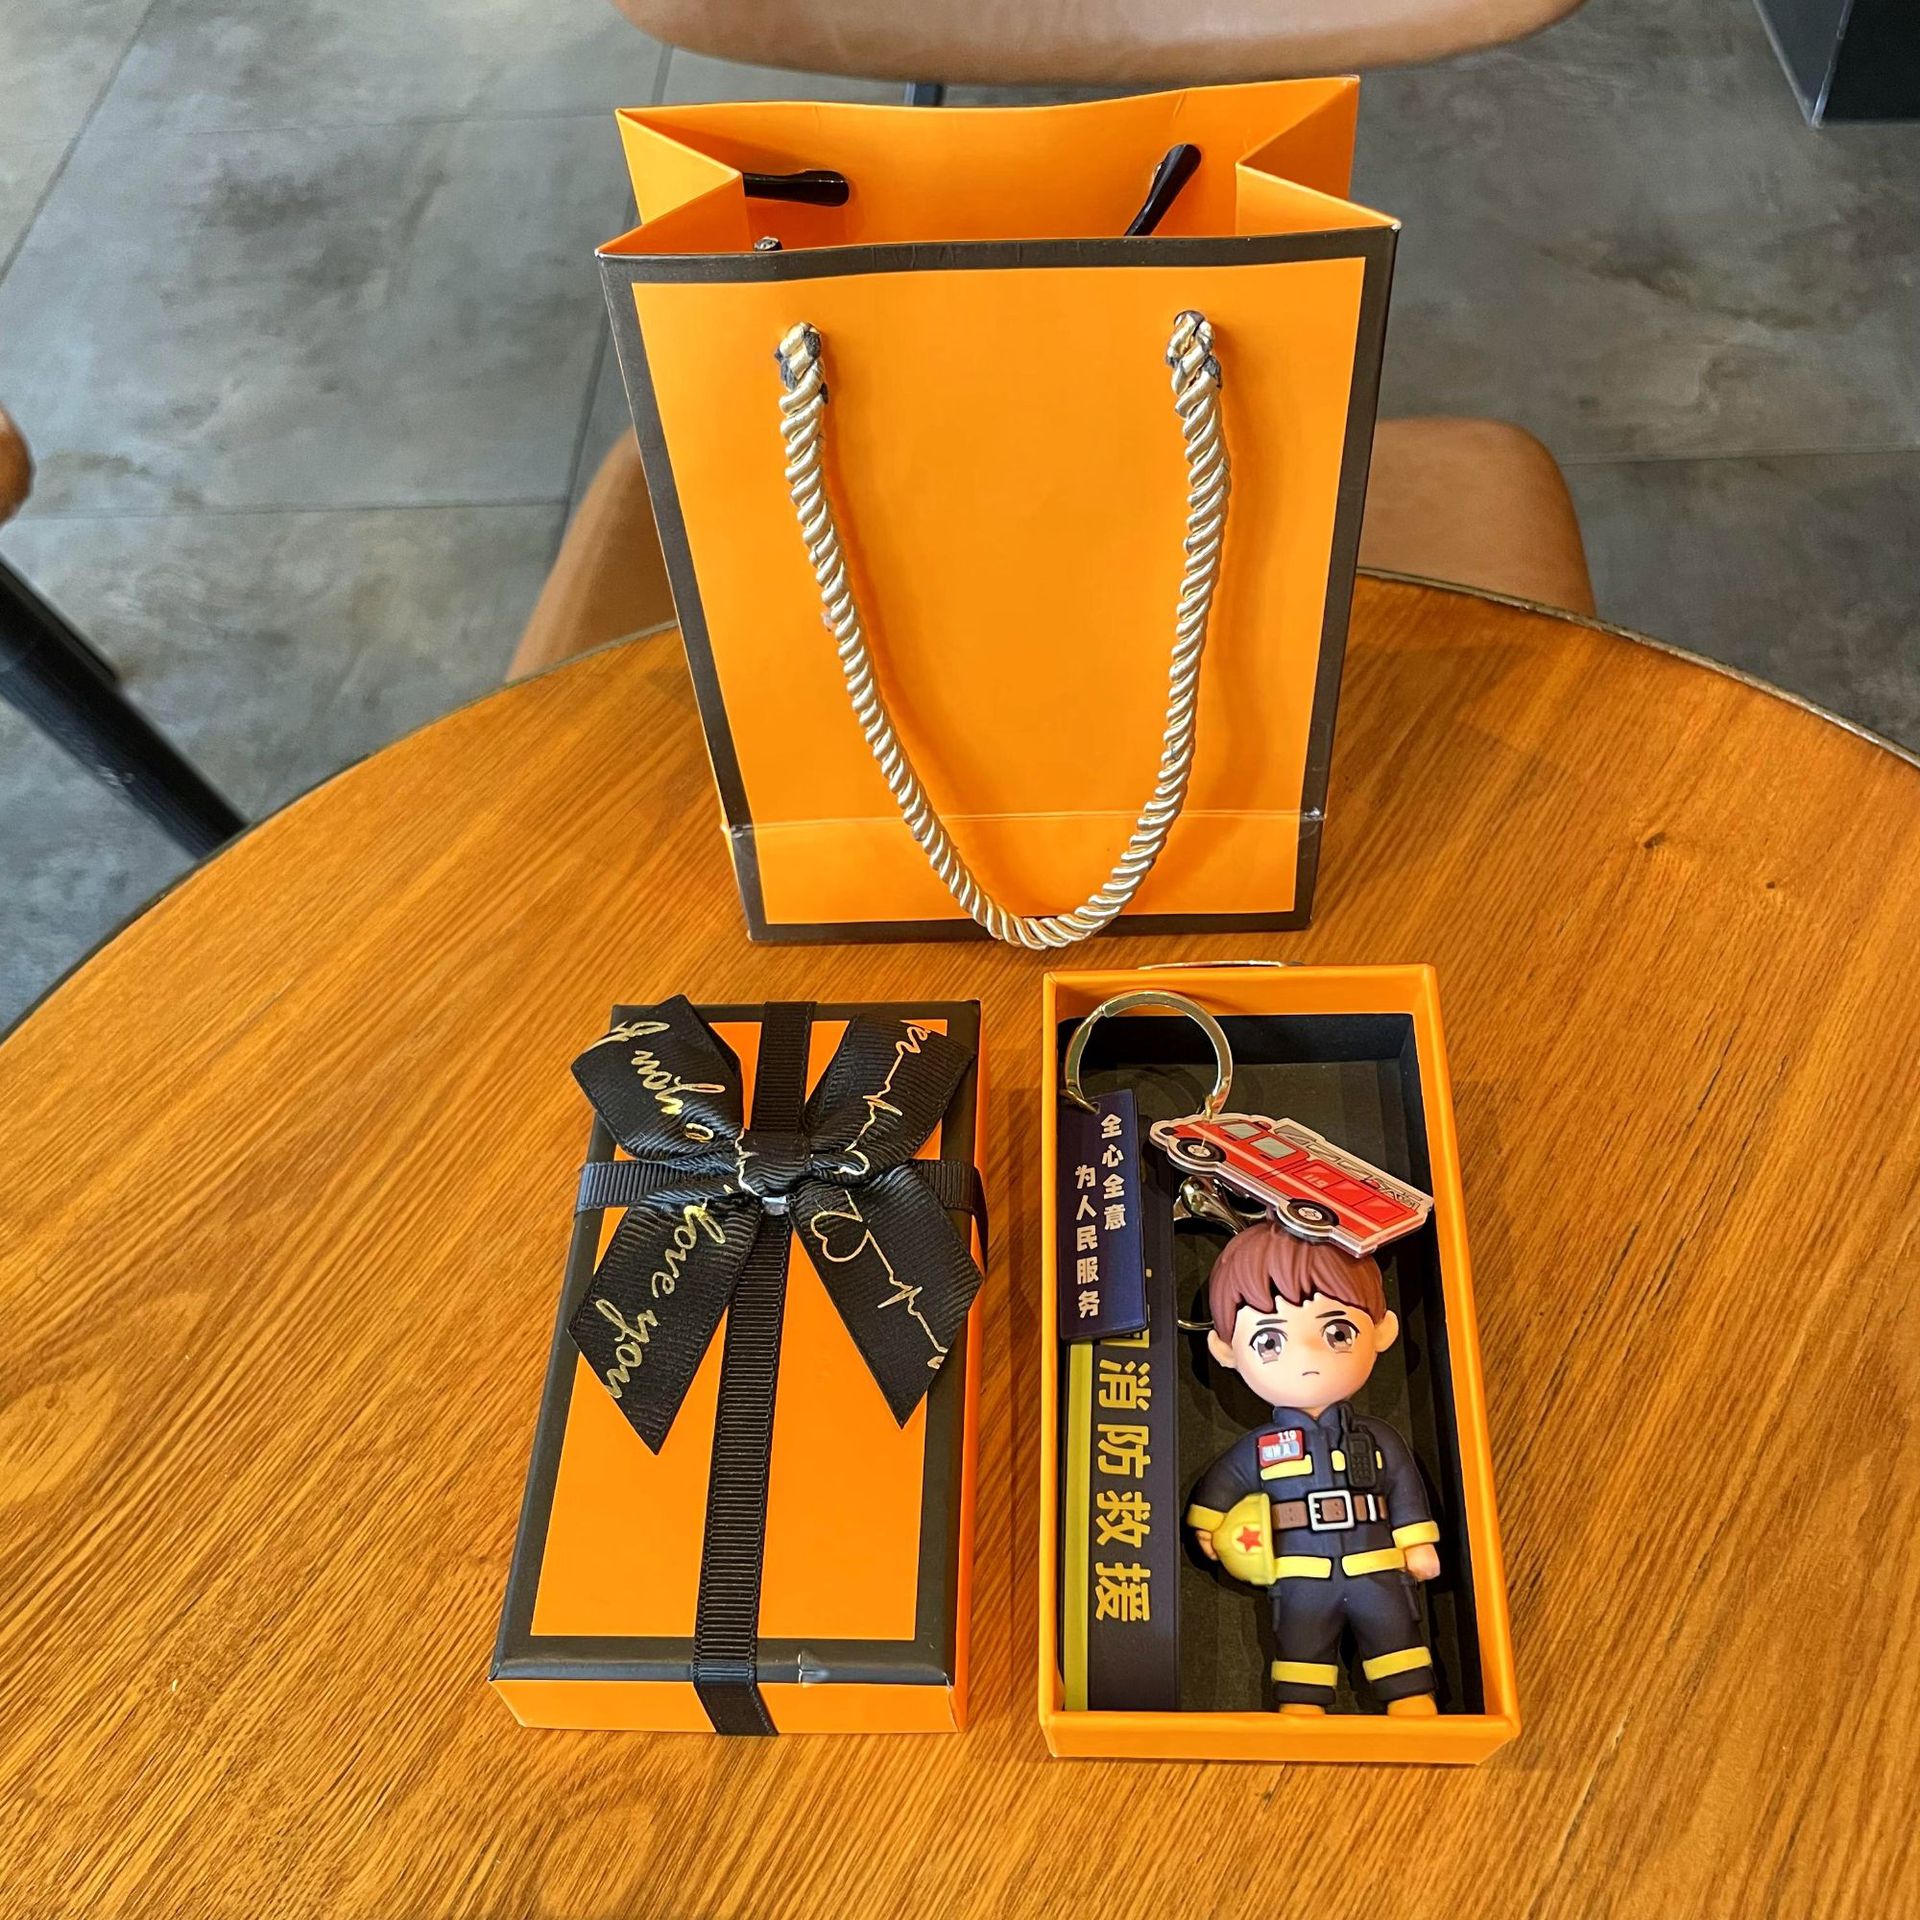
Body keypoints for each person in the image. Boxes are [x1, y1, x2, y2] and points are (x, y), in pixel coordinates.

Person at [1186, 1220, 1441, 1716]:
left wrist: (1416, 1541)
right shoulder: (1261, 1447)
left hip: (1375, 1566)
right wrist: (1209, 1525)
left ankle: (1413, 1704)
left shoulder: (1378, 1438)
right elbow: (1225, 1481)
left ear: (1381, 1330)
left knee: (1395, 1634)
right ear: (1226, 1352)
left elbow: (1403, 1487)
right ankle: (1301, 1715)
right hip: (1300, 1573)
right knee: (1301, 1647)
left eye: (1337, 1332)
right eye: (1269, 1342)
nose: (1305, 1354)